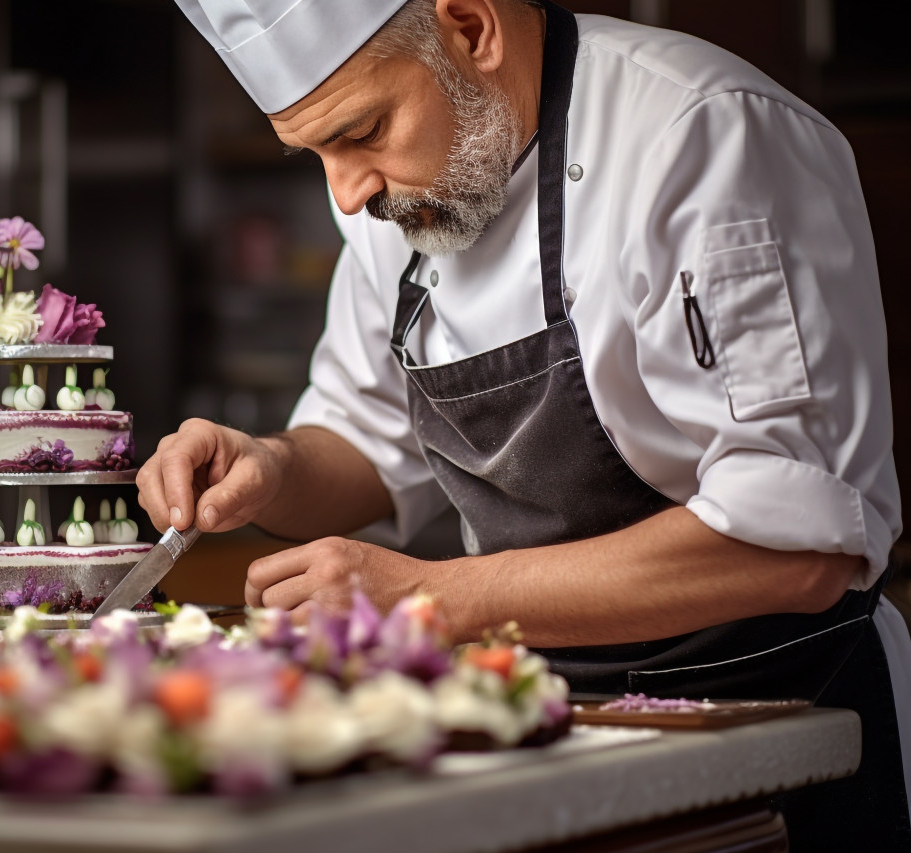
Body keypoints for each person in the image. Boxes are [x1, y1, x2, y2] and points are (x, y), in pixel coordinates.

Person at [148, 1, 910, 846]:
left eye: (363, 131)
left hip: (775, 723)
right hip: (540, 723)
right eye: (315, 152)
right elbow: (366, 439)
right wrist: (273, 466)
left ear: (471, 28)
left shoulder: (705, 137)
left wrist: (432, 598)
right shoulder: (390, 193)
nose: (346, 191)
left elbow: (798, 546)